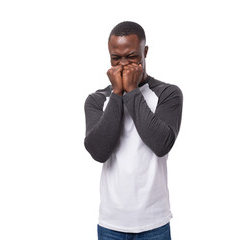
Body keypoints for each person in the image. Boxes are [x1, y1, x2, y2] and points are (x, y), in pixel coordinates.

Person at [84, 21, 183, 240]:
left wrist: (131, 91)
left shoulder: (168, 94)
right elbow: (99, 152)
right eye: (115, 58)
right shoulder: (96, 100)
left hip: (154, 223)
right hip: (111, 223)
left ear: (145, 52)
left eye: (131, 56)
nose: (122, 65)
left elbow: (161, 144)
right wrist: (117, 94)